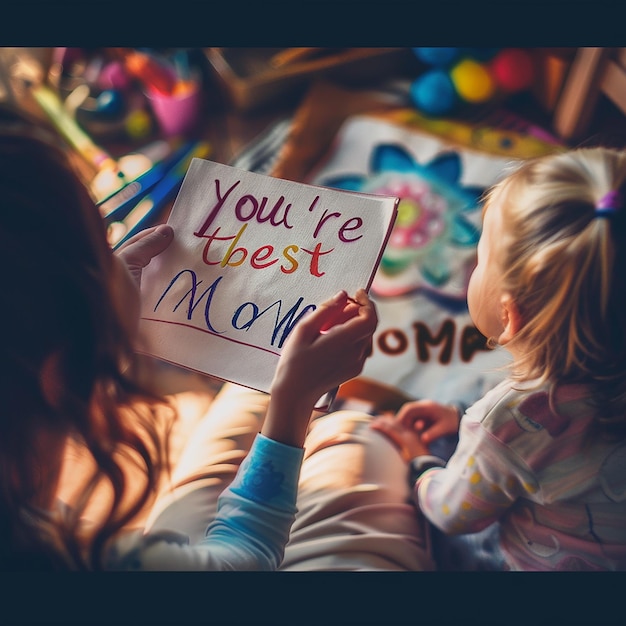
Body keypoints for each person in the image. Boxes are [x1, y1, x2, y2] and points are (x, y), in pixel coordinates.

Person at [0, 102, 432, 572]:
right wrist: (293, 408)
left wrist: (103, 320)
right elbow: (244, 561)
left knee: (248, 394)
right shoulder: (62, 560)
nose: (115, 251)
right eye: (101, 251)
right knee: (358, 444)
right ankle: (372, 434)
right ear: (58, 373)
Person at [371, 146, 626, 571]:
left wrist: (421, 462)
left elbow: (453, 516)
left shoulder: (506, 418)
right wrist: (461, 422)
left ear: (510, 315)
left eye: (481, 258)